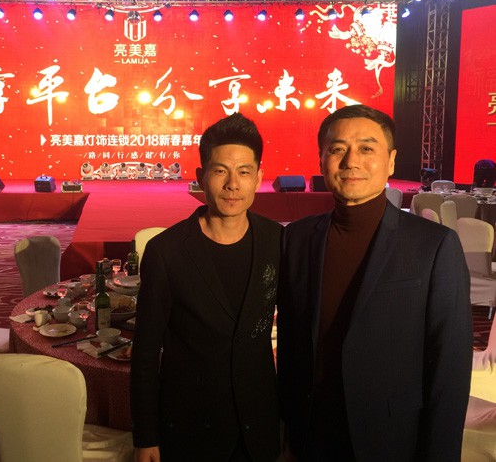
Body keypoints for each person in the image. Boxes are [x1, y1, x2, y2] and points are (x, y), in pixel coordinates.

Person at [277, 104, 472, 461]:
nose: (351, 161)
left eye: (367, 148)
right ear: (322, 160)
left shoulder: (433, 245)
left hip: (392, 437)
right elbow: (291, 343)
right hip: (312, 434)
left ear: (391, 161)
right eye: (337, 149)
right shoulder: (298, 238)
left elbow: (450, 367)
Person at [130, 113, 282, 462]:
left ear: (259, 178)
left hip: (259, 425)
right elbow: (145, 351)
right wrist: (146, 436)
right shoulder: (167, 251)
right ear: (200, 177)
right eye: (220, 171)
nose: (233, 184)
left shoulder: (276, 240)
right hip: (191, 427)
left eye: (244, 172)